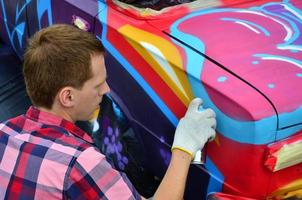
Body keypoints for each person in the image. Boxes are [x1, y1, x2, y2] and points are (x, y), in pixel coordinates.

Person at [0, 24, 216, 199]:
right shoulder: (81, 164)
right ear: (68, 97)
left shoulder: (4, 132)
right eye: (98, 85)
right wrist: (183, 150)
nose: (106, 90)